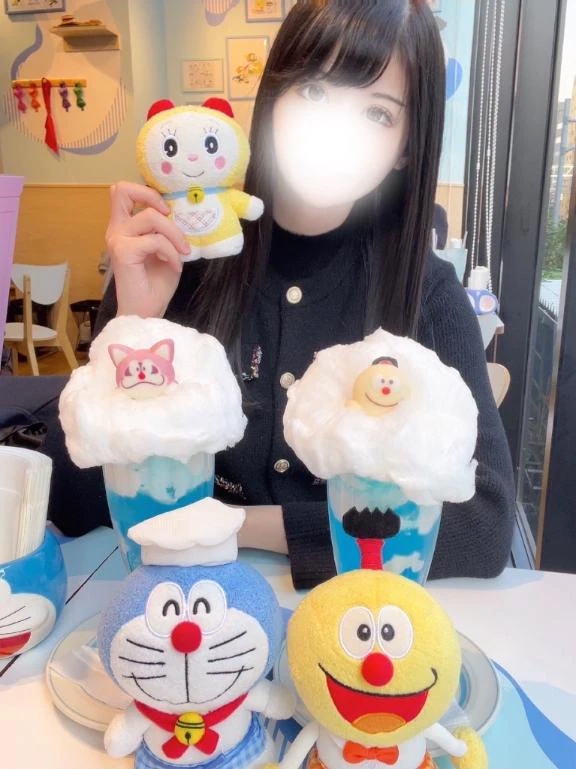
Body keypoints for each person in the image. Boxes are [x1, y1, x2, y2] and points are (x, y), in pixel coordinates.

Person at [0, 0, 515, 589]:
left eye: (377, 112)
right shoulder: (181, 260)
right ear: (273, 96)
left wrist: (237, 524)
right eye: (315, 91)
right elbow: (71, 502)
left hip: (352, 613)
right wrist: (137, 322)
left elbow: (485, 524)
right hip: (180, 600)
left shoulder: (424, 290)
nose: (334, 133)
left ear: (405, 146)